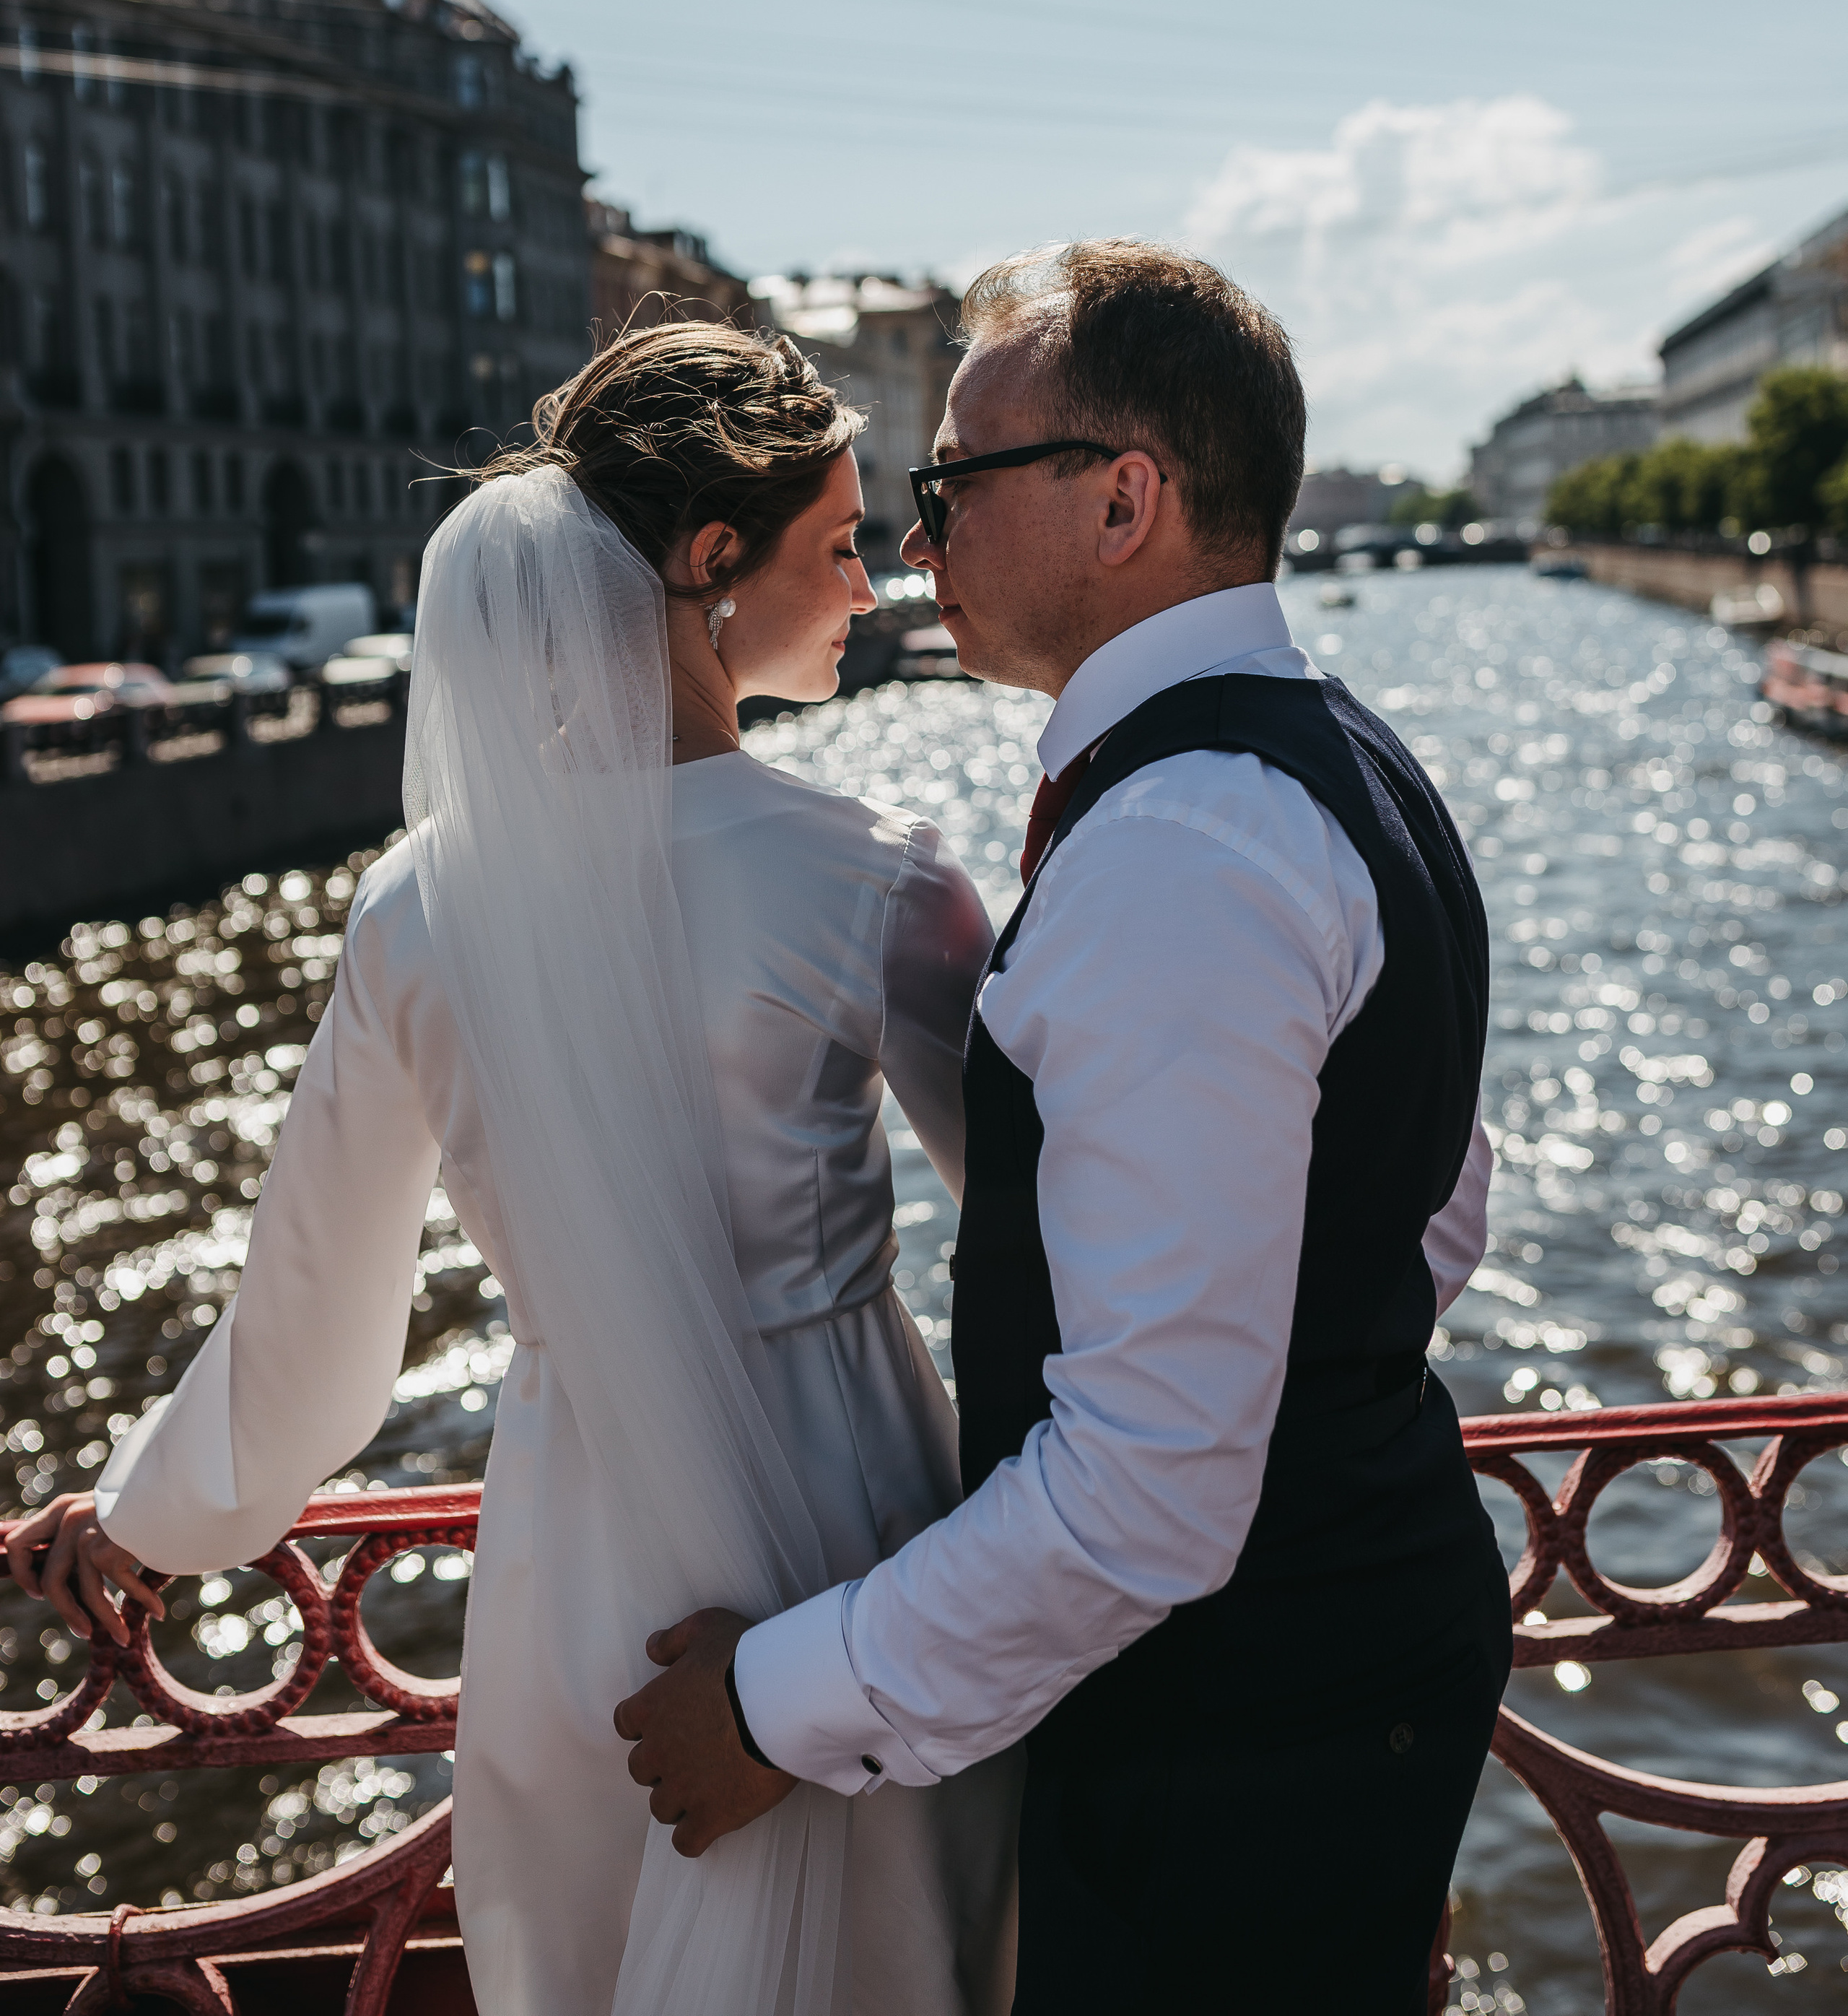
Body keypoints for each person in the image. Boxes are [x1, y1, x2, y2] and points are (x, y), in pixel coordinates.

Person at [1, 323, 1021, 2016]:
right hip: (848, 1531)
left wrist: (142, 1521)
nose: (869, 588)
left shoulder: (415, 904)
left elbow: (314, 1327)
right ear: (710, 562)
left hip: (572, 1559)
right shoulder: (880, 884)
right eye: (837, 546)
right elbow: (1050, 1238)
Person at [615, 242, 1511, 2013]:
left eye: (953, 483)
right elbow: (1433, 1206)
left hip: (1239, 1727)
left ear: (1123, 501)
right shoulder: (1328, 759)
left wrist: (771, 1707)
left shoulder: (1177, 843)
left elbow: (1147, 1494)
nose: (915, 538)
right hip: (1349, 1655)